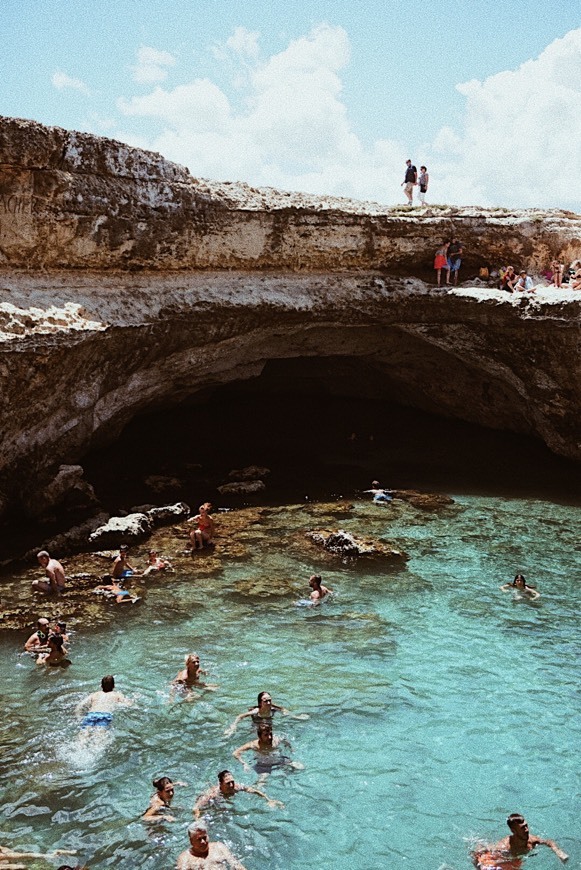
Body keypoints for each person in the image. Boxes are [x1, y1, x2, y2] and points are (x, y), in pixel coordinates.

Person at [472, 813, 568, 867]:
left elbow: (549, 842)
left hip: (517, 860)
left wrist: (558, 852)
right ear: (513, 831)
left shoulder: (532, 839)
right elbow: (481, 852)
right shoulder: (505, 846)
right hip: (503, 861)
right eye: (522, 828)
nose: (527, 830)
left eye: (526, 826)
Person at [193, 769, 283, 818]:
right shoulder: (213, 793)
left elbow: (254, 791)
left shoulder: (237, 787)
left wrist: (269, 800)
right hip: (213, 802)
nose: (232, 785)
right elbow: (196, 807)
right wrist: (197, 819)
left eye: (232, 781)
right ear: (221, 784)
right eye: (228, 783)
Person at [232, 721, 303, 775]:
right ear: (259, 737)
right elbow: (235, 753)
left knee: (301, 768)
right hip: (264, 765)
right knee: (261, 782)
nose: (270, 737)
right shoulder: (253, 745)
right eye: (266, 735)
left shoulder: (276, 740)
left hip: (278, 760)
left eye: (270, 734)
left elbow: (286, 742)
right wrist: (244, 764)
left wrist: (292, 750)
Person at [224, 691, 307, 736]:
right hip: (257, 726)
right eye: (265, 701)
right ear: (260, 703)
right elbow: (240, 716)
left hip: (268, 726)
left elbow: (283, 709)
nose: (268, 703)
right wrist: (233, 726)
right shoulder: (256, 711)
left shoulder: (273, 709)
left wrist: (295, 716)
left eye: (269, 700)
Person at [176, 821, 247, 869]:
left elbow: (236, 865)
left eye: (204, 837)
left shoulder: (219, 847)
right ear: (191, 841)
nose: (203, 842)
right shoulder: (185, 858)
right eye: (199, 839)